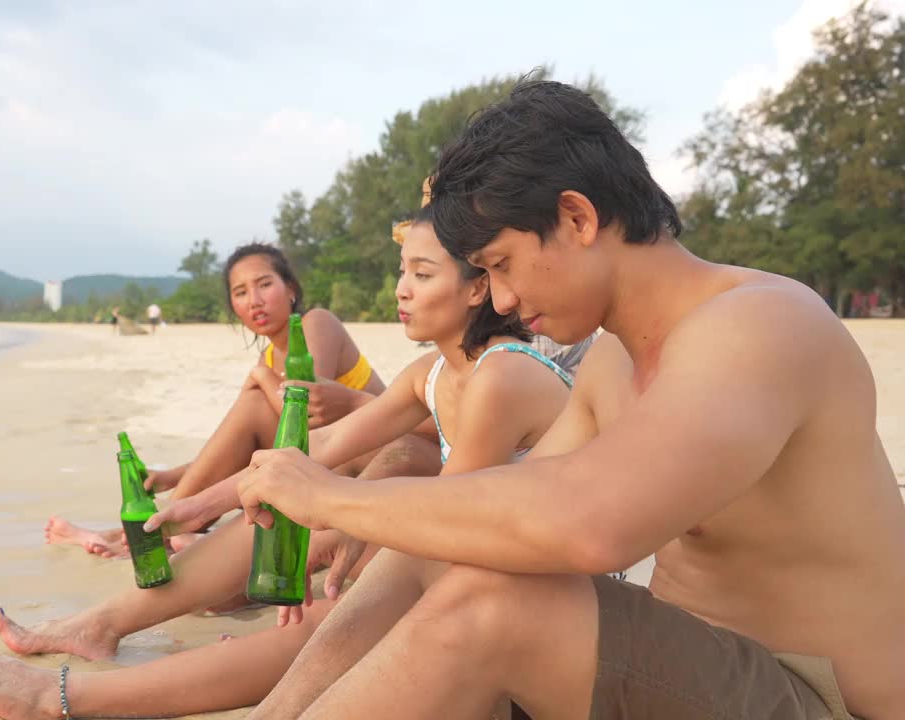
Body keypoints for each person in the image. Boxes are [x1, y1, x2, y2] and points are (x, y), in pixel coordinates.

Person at [228, 80, 905, 719]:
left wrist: (333, 498)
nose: (501, 302)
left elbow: (589, 524)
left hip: (819, 700)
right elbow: (498, 509)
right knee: (454, 549)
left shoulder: (760, 325)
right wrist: (340, 518)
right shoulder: (614, 361)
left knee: (494, 604)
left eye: (501, 265)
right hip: (687, 675)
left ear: (576, 217)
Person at [0, 202, 590, 719]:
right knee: (317, 578)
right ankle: (75, 681)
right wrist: (196, 508)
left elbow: (447, 522)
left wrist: (342, 530)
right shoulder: (430, 372)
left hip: (526, 615)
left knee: (328, 614)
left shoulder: (500, 378)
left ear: (480, 286)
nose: (400, 290)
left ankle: (60, 699)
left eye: (421, 275)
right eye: (402, 272)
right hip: (470, 572)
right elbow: (321, 451)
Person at [45, 242, 388, 558]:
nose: (254, 300)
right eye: (241, 292)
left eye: (265, 284)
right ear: (234, 307)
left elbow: (309, 415)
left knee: (255, 405)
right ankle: (139, 531)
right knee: (254, 412)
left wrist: (260, 378)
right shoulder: (269, 359)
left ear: (291, 290)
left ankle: (151, 535)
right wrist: (175, 475)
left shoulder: (317, 323)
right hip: (327, 458)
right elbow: (242, 443)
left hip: (375, 459)